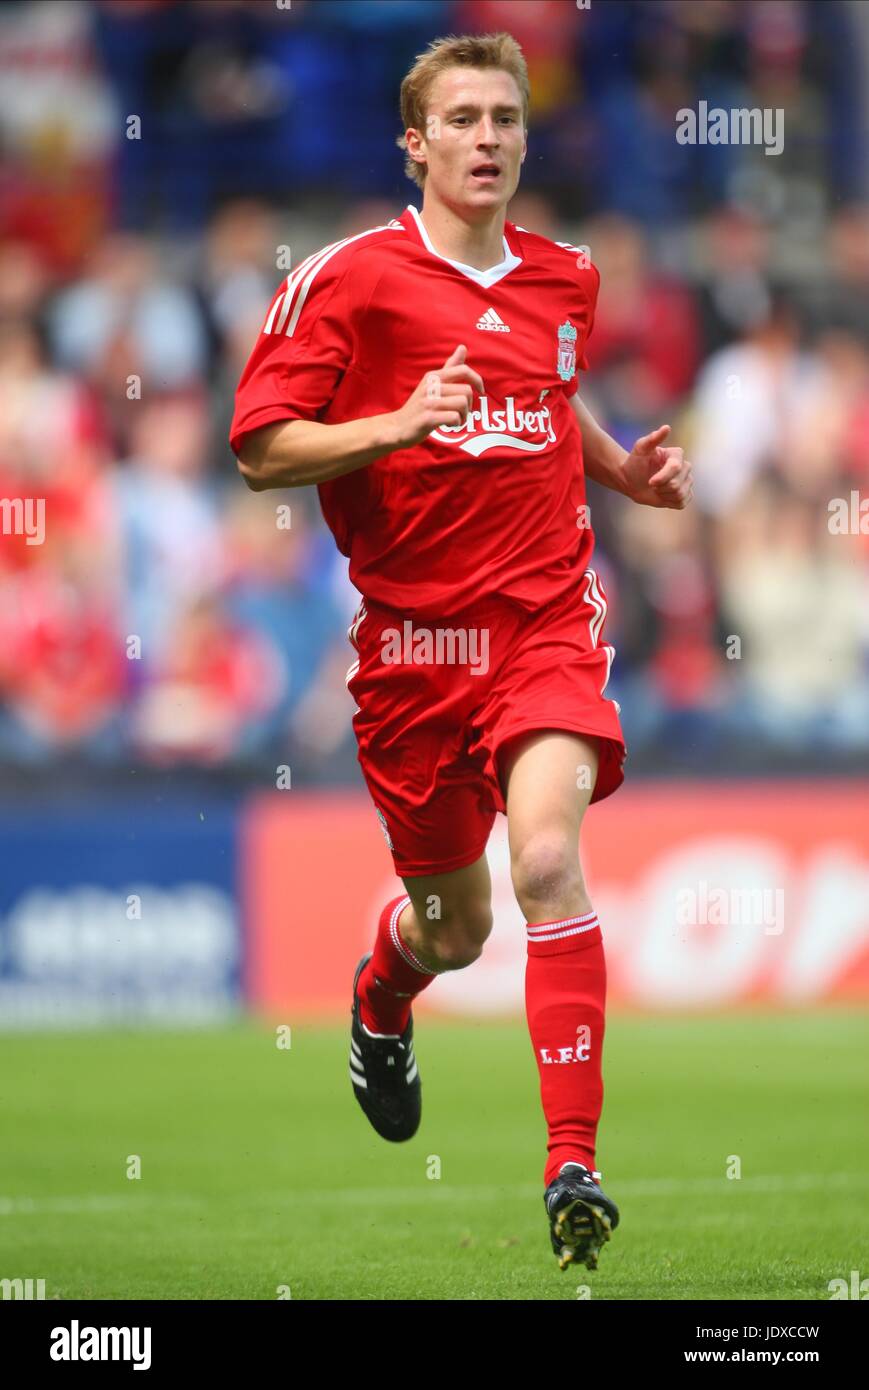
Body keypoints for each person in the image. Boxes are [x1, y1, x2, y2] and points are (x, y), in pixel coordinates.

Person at [229, 32, 692, 1272]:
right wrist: (396, 422)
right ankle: (383, 999)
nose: (486, 138)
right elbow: (261, 446)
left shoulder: (564, 279)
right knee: (454, 932)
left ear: (525, 138)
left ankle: (570, 1164)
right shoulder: (347, 281)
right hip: (409, 651)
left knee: (548, 856)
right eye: (462, 119)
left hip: (543, 620)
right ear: (414, 142)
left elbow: (543, 397)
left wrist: (620, 470)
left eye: (505, 117)